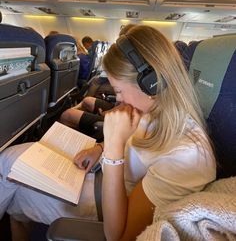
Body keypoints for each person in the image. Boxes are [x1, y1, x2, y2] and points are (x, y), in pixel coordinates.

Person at [0, 25, 216, 241]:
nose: (119, 100)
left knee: (11, 180)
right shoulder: (157, 109)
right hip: (101, 176)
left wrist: (112, 150)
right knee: (12, 163)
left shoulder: (187, 154)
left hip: (106, 203)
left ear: (152, 83)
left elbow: (117, 234)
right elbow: (133, 149)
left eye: (119, 91)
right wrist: (100, 148)